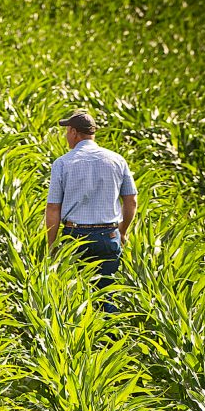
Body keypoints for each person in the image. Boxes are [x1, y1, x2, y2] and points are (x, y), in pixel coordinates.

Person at [45, 110, 137, 311]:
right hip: (108, 235)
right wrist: (122, 231)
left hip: (74, 237)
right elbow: (131, 201)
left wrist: (51, 245)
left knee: (74, 295)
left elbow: (53, 207)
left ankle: (80, 339)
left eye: (67, 131)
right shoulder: (117, 160)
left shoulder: (62, 163)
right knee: (106, 295)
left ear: (74, 132)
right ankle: (111, 340)